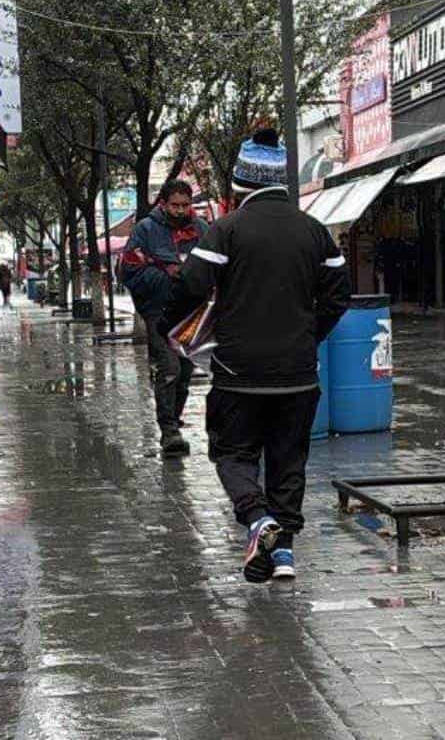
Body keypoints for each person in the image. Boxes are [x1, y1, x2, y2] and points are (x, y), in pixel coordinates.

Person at [162, 129, 350, 584]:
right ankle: (283, 553)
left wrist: (179, 330)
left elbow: (189, 286)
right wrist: (308, 336)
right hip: (298, 374)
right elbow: (338, 297)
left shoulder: (225, 231)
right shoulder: (315, 231)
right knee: (289, 460)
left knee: (233, 453)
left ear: (241, 184)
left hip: (237, 373)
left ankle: (257, 519)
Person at [121, 180, 209, 457]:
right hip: (158, 311)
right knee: (169, 369)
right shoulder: (146, 230)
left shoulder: (202, 229)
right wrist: (169, 277)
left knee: (184, 371)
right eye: (175, 205)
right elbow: (130, 272)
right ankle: (169, 431)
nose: (181, 210)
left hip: (191, 312)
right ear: (164, 203)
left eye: (185, 205)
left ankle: (175, 421)